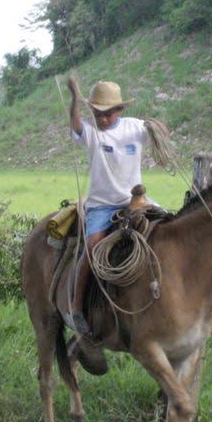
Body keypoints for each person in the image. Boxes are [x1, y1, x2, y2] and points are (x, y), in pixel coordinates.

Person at [65, 75, 159, 337]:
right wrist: (75, 96)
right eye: (96, 113)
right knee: (94, 244)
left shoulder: (134, 128)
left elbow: (160, 131)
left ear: (119, 110)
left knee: (165, 226)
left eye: (106, 113)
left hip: (135, 202)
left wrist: (157, 127)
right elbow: (75, 124)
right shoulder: (92, 134)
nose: (101, 118)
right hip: (102, 206)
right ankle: (76, 306)